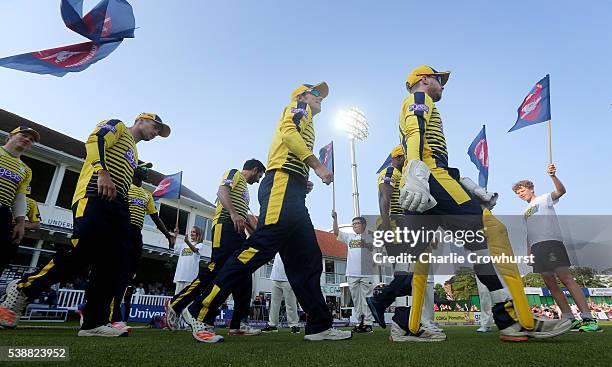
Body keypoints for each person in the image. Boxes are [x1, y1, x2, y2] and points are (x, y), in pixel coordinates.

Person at [367, 65, 571, 342]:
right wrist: (416, 168)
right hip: (432, 179)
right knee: (491, 232)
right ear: (424, 79)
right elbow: (417, 134)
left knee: (416, 259)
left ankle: (405, 324)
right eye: (439, 79)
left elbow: (422, 145)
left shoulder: (413, 105)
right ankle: (517, 319)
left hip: (425, 182)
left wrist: (465, 185)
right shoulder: (419, 99)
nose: (443, 85)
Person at [182, 82, 351, 343]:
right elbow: (288, 135)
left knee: (307, 258)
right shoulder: (299, 107)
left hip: (290, 189)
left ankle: (319, 326)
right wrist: (316, 166)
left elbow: (288, 147)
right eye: (316, 93)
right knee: (259, 248)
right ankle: (199, 310)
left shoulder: (307, 117)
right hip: (281, 187)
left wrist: (300, 176)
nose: (321, 99)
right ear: (302, 95)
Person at [0, 113, 170, 337]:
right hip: (93, 194)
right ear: (141, 120)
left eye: (159, 131)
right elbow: (95, 140)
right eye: (155, 126)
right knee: (83, 249)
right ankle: (23, 289)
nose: (156, 132)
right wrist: (102, 172)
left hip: (118, 205)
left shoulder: (134, 152)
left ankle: (93, 322)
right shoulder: (117, 126)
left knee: (113, 262)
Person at [165, 159, 266, 337]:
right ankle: (177, 304)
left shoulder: (244, 190)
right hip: (224, 225)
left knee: (243, 271)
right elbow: (222, 191)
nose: (258, 180)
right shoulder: (234, 173)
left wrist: (258, 233)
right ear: (255, 169)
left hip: (237, 231)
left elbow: (247, 219)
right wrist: (233, 213)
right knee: (216, 269)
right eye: (259, 176)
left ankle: (238, 323)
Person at [513, 164, 601, 333]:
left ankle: (588, 317)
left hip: (551, 242)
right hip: (537, 248)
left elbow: (561, 191)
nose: (520, 194)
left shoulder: (545, 198)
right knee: (550, 283)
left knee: (565, 278)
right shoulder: (525, 211)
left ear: (531, 188)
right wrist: (528, 252)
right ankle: (569, 318)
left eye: (522, 190)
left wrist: (553, 176)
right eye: (517, 193)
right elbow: (529, 233)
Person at [109, 162, 175, 332]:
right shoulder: (123, 186)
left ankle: (116, 317)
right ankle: (109, 317)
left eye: (147, 169)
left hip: (136, 234)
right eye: (143, 168)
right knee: (115, 272)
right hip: (120, 229)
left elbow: (155, 217)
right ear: (133, 169)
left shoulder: (147, 194)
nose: (146, 171)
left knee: (127, 276)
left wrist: (167, 234)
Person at [0, 126, 38, 275]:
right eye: (23, 135)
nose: (28, 139)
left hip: (3, 213)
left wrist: (21, 223)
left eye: (31, 139)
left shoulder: (26, 170)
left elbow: (19, 197)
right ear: (10, 136)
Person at [332, 212, 374, 333]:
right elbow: (336, 232)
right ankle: (359, 322)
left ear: (364, 225)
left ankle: (368, 323)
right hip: (351, 273)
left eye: (357, 223)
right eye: (353, 224)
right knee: (356, 300)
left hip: (366, 274)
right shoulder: (350, 237)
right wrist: (335, 219)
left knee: (367, 298)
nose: (354, 225)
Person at [262, 253, 300, 333]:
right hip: (275, 277)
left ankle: (294, 325)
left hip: (288, 278)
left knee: (291, 303)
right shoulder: (276, 243)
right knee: (274, 304)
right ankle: (272, 325)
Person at [173, 226, 205, 294]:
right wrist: (175, 234)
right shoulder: (183, 245)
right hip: (180, 276)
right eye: (191, 232)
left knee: (186, 300)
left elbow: (195, 250)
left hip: (190, 278)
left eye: (193, 232)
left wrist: (187, 242)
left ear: (198, 234)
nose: (191, 233)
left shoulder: (200, 245)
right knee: (177, 299)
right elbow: (173, 245)